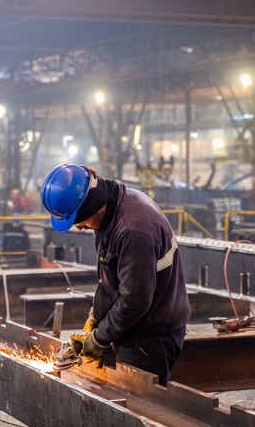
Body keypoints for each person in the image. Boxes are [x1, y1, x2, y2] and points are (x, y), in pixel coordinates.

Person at [41, 164, 190, 385]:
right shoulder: (111, 207)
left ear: (91, 206)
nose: (78, 227)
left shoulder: (133, 230)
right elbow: (112, 277)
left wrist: (99, 338)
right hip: (131, 326)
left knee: (136, 409)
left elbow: (135, 300)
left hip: (150, 336)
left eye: (78, 221)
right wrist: (95, 317)